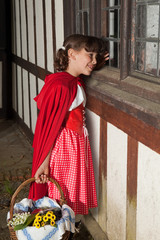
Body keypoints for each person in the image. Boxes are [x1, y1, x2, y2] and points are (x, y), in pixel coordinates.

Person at [28, 34, 109, 228]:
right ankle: (57, 231)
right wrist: (44, 163)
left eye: (97, 56)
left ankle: (68, 229)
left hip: (76, 146)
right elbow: (50, 129)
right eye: (90, 55)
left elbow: (82, 69)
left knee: (71, 195)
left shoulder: (72, 80)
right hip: (64, 150)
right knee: (61, 194)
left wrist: (93, 64)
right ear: (71, 54)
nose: (94, 60)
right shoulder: (60, 85)